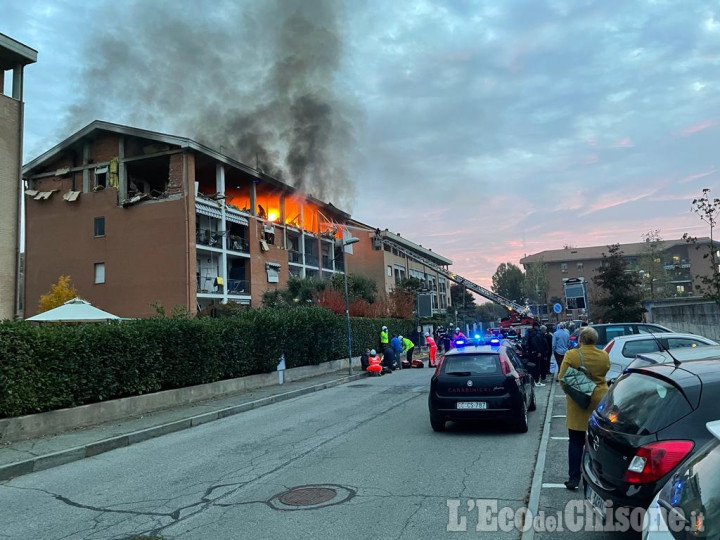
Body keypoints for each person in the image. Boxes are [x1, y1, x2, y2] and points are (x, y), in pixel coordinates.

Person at [558, 327, 610, 490]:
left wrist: (580, 387)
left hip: (579, 402)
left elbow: (562, 378)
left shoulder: (572, 355)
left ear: (580, 340)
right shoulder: (604, 355)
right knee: (598, 442)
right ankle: (599, 477)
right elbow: (605, 371)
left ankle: (574, 478)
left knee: (575, 441)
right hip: (600, 399)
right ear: (594, 340)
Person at [524, 322, 545, 387]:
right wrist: (538, 351)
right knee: (537, 367)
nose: (538, 328)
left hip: (532, 352)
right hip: (535, 353)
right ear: (535, 326)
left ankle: (534, 381)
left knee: (533, 367)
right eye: (538, 326)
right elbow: (535, 343)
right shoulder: (534, 334)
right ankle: (537, 381)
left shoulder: (530, 333)